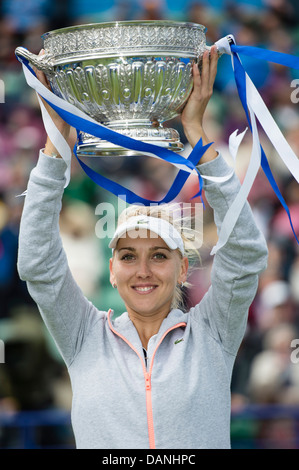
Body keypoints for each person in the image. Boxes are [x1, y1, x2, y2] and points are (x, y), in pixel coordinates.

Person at [17, 46, 268, 449]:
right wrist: (54, 148)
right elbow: (38, 266)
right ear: (112, 271)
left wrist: (198, 138)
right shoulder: (84, 337)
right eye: (128, 256)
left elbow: (246, 256)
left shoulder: (213, 333)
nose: (144, 270)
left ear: (183, 269)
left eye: (159, 256)